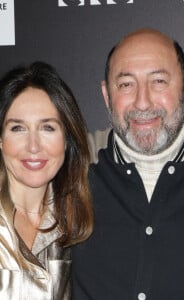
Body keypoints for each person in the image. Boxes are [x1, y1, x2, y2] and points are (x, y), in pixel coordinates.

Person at [72, 28, 184, 299]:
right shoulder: (70, 167)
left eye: (158, 82)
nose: (142, 102)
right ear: (107, 96)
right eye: (126, 84)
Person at [0, 61, 93, 299]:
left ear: (66, 139)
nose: (33, 146)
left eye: (48, 128)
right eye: (18, 128)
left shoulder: (77, 223)